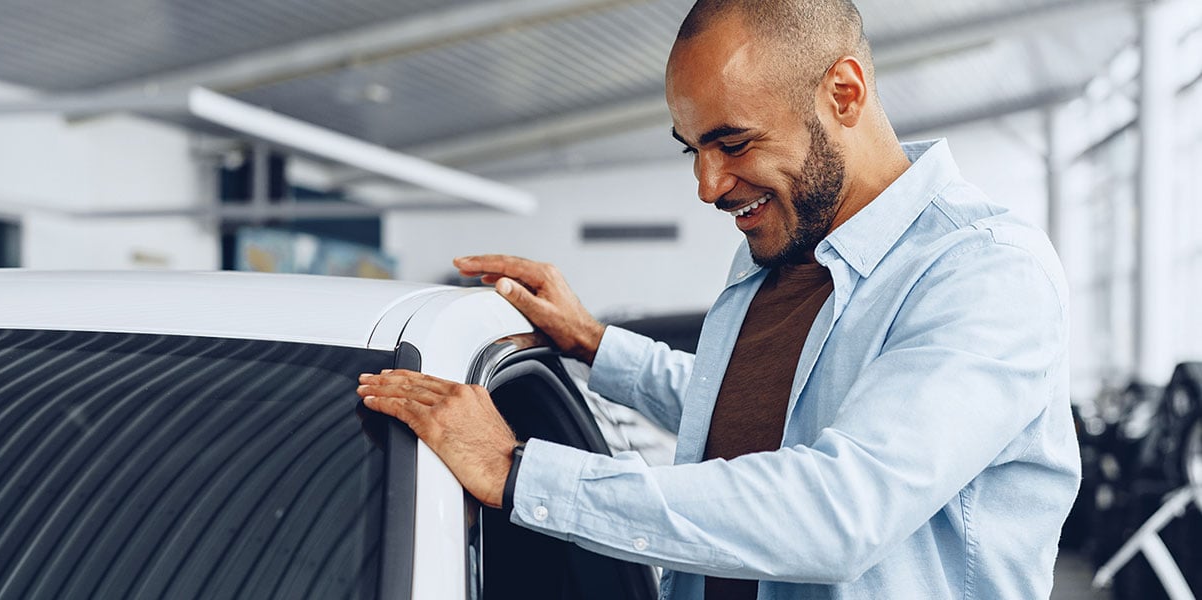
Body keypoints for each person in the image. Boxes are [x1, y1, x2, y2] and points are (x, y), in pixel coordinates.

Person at [357, 0, 1080, 597]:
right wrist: (594, 343)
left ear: (844, 93)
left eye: (733, 143)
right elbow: (750, 415)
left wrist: (520, 473)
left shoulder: (984, 271)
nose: (707, 186)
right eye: (691, 148)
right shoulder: (780, 250)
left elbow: (841, 510)